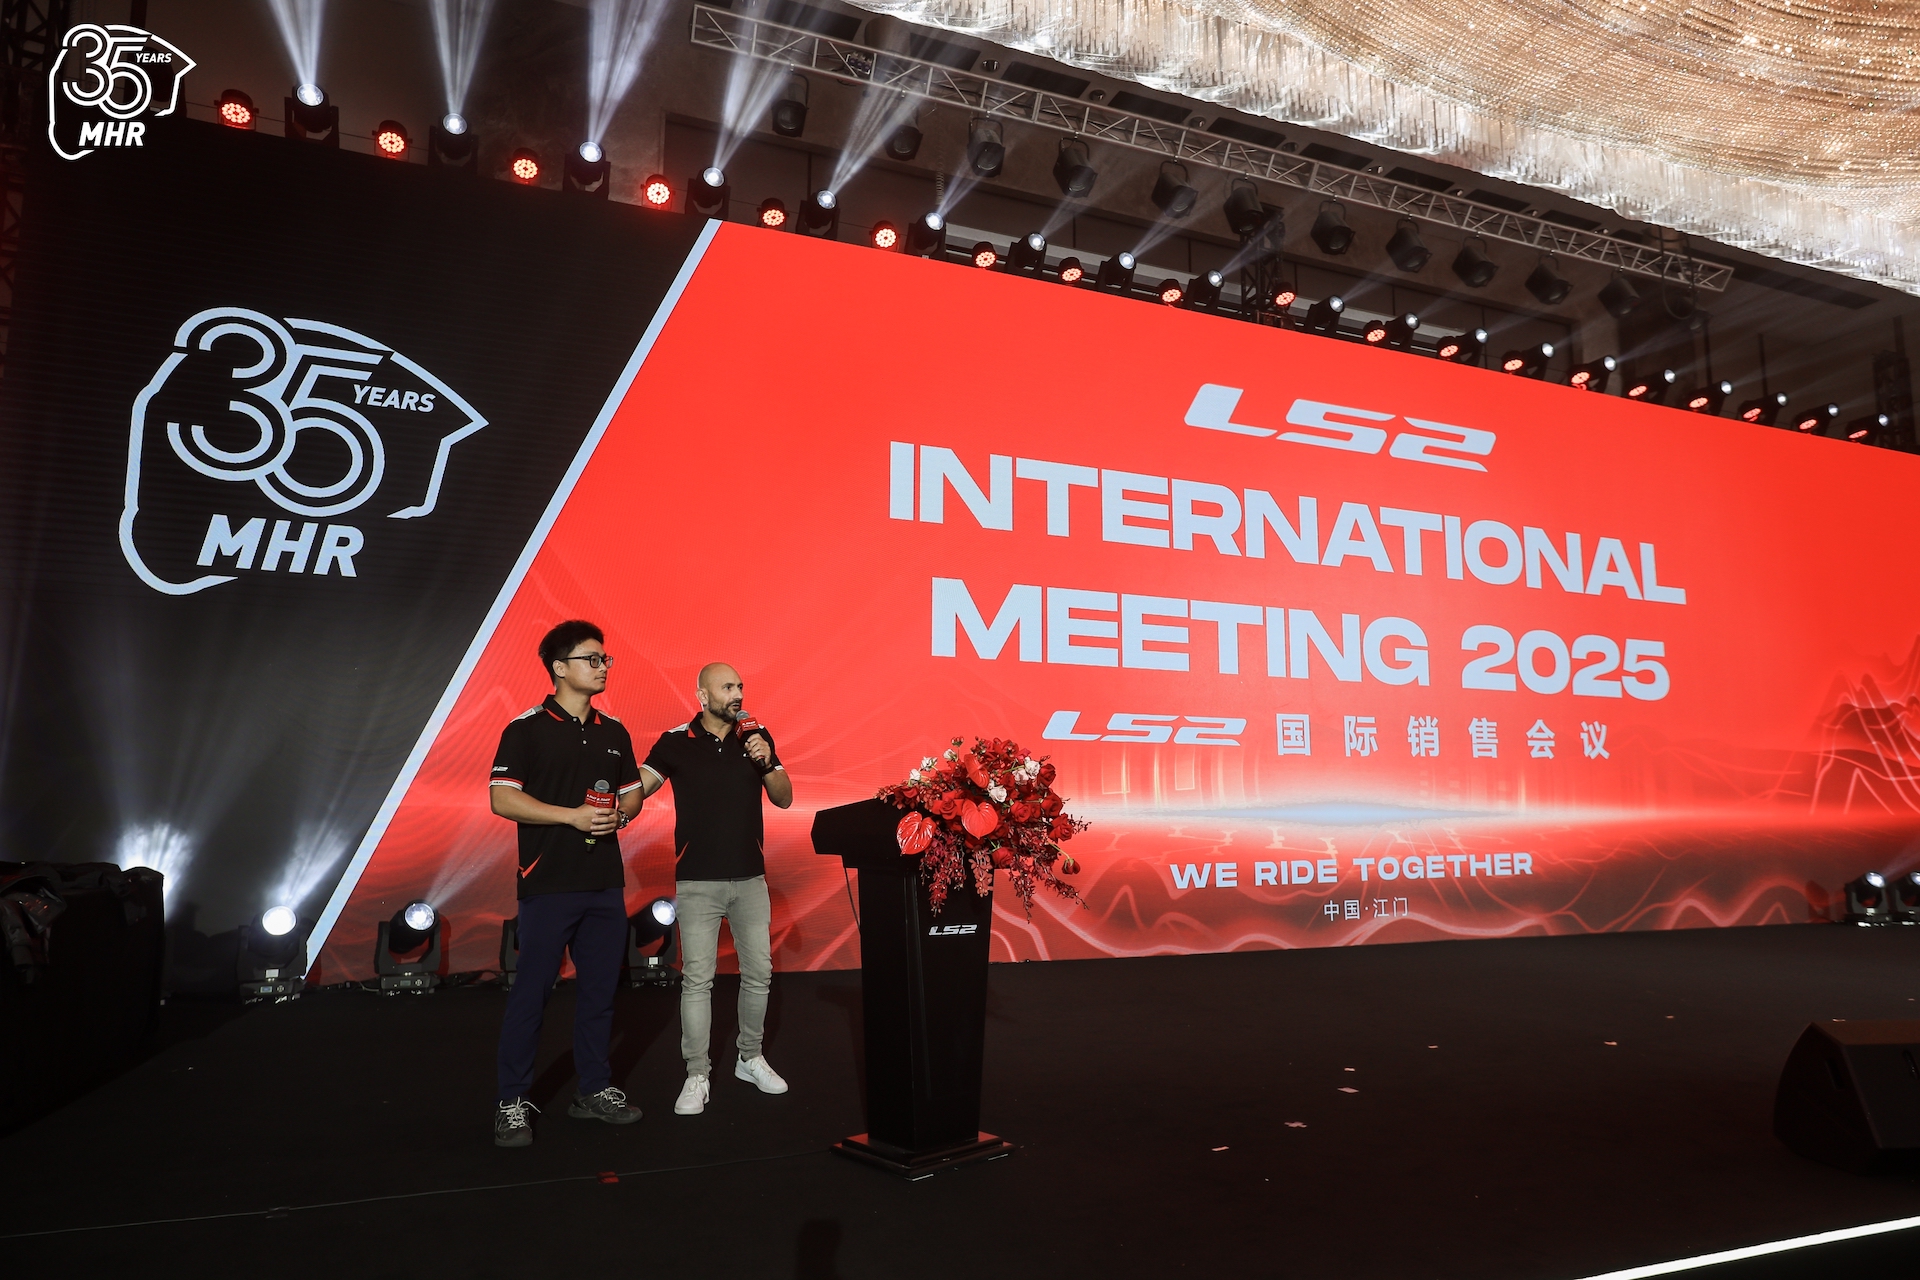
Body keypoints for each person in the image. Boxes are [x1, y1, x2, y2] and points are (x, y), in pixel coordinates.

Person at [488, 620, 646, 1148]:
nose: (602, 667)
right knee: (531, 994)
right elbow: (502, 798)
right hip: (547, 882)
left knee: (600, 993)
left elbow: (631, 793)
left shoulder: (613, 731)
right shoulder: (526, 729)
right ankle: (511, 1101)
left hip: (603, 883)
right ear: (559, 667)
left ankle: (594, 1090)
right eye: (591, 659)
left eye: (605, 659)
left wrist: (620, 815)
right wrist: (571, 817)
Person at [637, 662, 793, 1116]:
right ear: (703, 696)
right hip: (697, 882)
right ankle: (697, 1074)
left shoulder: (755, 736)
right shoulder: (674, 742)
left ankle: (750, 1058)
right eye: (727, 687)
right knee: (697, 980)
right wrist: (611, 801)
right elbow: (641, 787)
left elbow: (784, 797)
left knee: (759, 974)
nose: (737, 694)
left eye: (740, 686)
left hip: (750, 880)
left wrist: (766, 759)